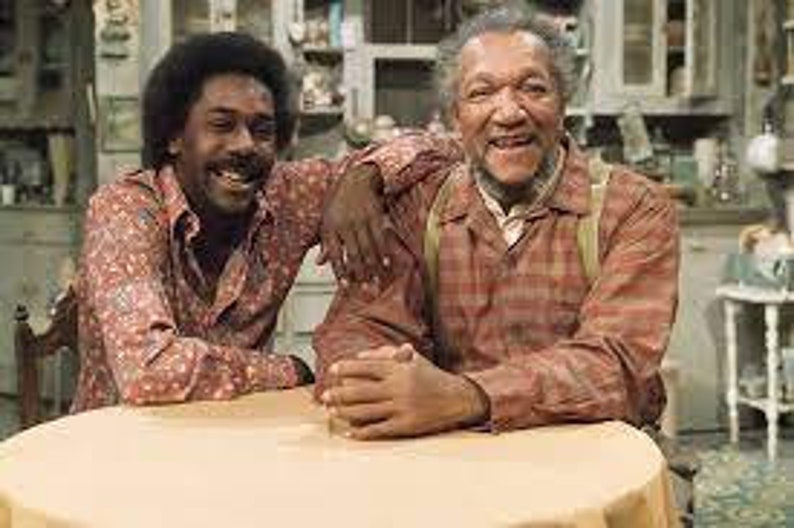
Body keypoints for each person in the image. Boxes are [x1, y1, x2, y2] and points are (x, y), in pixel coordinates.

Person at [314, 5, 679, 439]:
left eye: (533, 88)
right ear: (455, 118)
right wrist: (372, 378)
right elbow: (359, 326)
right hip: (455, 450)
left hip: (597, 452)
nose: (508, 113)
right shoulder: (419, 206)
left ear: (564, 103)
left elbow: (619, 364)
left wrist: (464, 396)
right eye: (481, 93)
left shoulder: (632, 207)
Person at [72, 32, 456, 411]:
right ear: (174, 136)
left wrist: (366, 175)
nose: (244, 145)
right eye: (222, 125)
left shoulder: (286, 194)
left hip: (240, 433)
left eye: (262, 130)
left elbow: (448, 146)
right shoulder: (126, 210)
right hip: (121, 440)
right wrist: (289, 370)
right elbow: (149, 371)